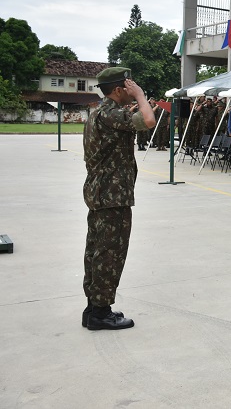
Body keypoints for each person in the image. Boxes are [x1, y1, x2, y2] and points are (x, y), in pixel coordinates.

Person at [82, 67, 155, 330]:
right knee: (110, 253)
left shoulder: (100, 113)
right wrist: (141, 96)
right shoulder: (111, 113)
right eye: (128, 85)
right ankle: (101, 313)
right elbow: (148, 121)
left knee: (96, 250)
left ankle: (93, 308)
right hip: (113, 195)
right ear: (117, 90)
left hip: (101, 192)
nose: (131, 88)